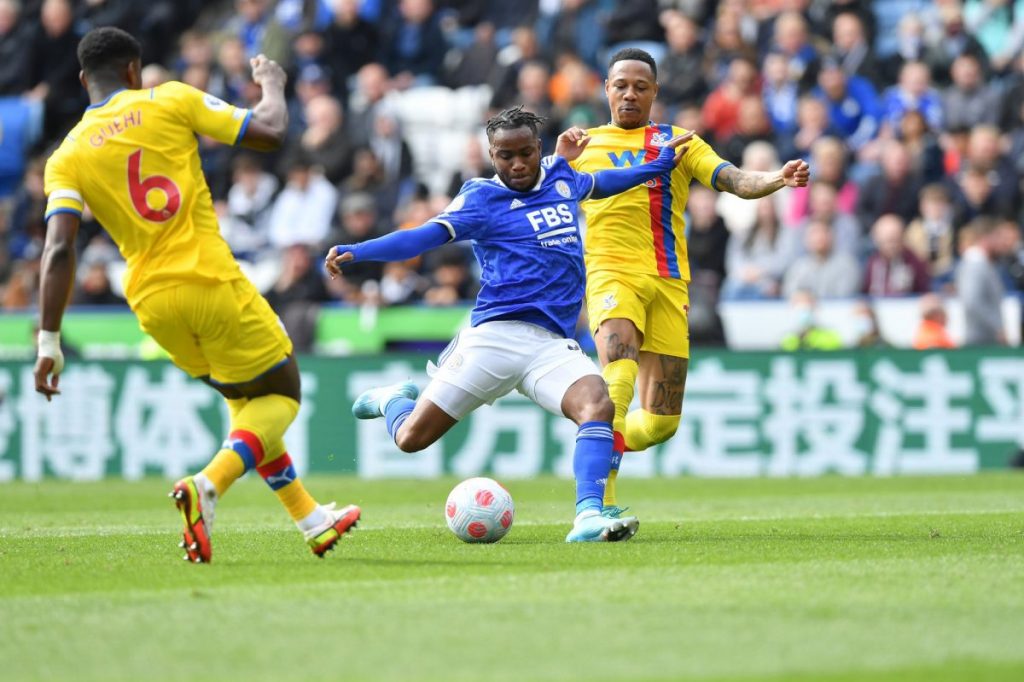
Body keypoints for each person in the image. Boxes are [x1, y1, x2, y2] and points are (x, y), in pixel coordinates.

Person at [33, 27, 359, 563]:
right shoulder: (169, 99)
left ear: (84, 79)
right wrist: (272, 84)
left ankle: (311, 520)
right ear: (134, 71)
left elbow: (59, 248)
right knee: (282, 393)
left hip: (151, 303)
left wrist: (48, 340)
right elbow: (271, 131)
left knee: (245, 400)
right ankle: (208, 484)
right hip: (208, 279)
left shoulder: (65, 156)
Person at [325, 106, 693, 543]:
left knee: (598, 404)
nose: (517, 164)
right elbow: (422, 236)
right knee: (410, 439)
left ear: (538, 148)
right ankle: (393, 401)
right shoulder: (480, 198)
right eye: (505, 156)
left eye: (525, 153)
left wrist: (657, 167)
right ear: (491, 155)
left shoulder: (561, 177)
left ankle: (588, 516)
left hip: (551, 344)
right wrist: (361, 251)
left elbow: (605, 182)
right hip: (495, 338)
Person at [555, 48, 809, 514]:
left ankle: (600, 441)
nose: (629, 94)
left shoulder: (679, 143)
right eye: (620, 86)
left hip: (669, 282)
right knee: (619, 375)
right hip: (611, 273)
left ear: (655, 92)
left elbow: (733, 180)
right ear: (606, 89)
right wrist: (557, 161)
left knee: (659, 425)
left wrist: (777, 178)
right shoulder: (581, 145)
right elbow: (540, 199)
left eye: (640, 87)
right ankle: (596, 506)